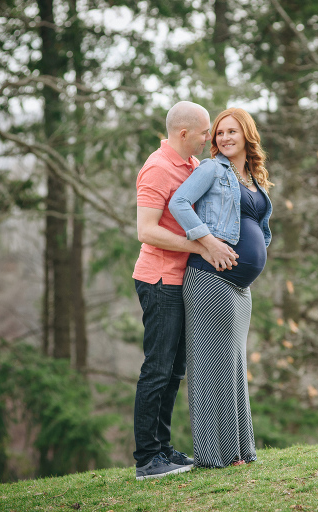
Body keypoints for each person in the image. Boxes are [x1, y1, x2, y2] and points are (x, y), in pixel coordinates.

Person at [132, 101, 238, 480]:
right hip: (159, 280)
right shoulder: (158, 169)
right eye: (205, 131)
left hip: (185, 282)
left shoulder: (193, 167)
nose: (210, 137)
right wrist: (202, 246)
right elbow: (146, 230)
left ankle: (163, 449)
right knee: (157, 370)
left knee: (175, 371)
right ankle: (147, 458)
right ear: (184, 133)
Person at [168, 107, 273, 468]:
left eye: (232, 132)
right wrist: (207, 241)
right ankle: (217, 456)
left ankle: (239, 452)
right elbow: (178, 202)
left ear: (247, 135)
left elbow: (255, 225)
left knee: (232, 368)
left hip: (238, 287)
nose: (225, 138)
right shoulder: (213, 169)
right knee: (213, 369)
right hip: (210, 279)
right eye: (219, 133)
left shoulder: (251, 177)